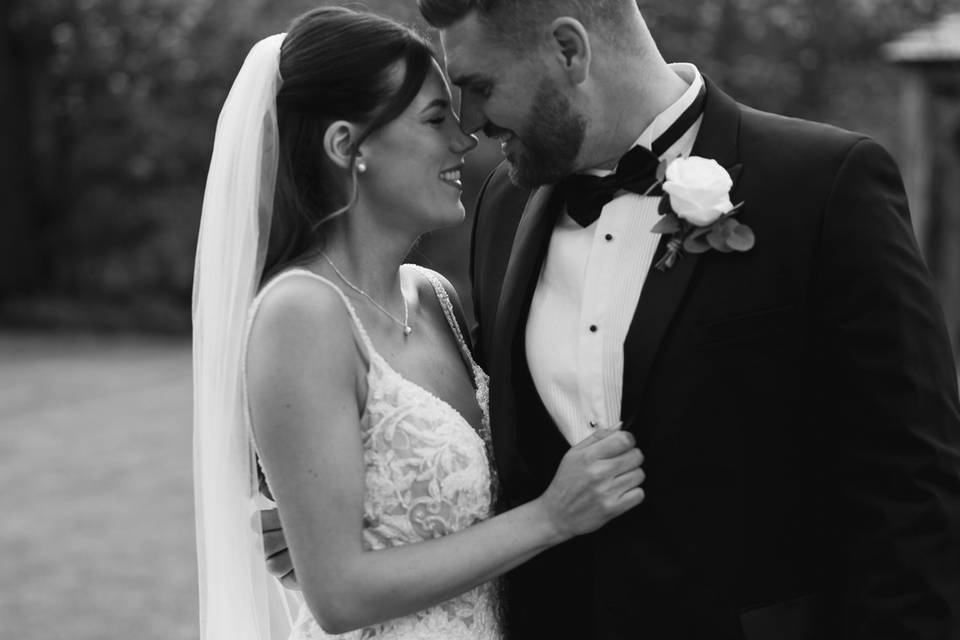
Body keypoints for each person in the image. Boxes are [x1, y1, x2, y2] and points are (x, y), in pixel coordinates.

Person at [258, 0, 960, 638]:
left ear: (569, 51)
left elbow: (915, 486)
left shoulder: (822, 186)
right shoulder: (504, 206)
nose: (471, 124)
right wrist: (331, 521)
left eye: (479, 86)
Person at [191, 6, 646, 640]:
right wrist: (552, 517)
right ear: (347, 147)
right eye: (435, 119)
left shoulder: (435, 298)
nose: (464, 139)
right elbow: (340, 594)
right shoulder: (302, 313)